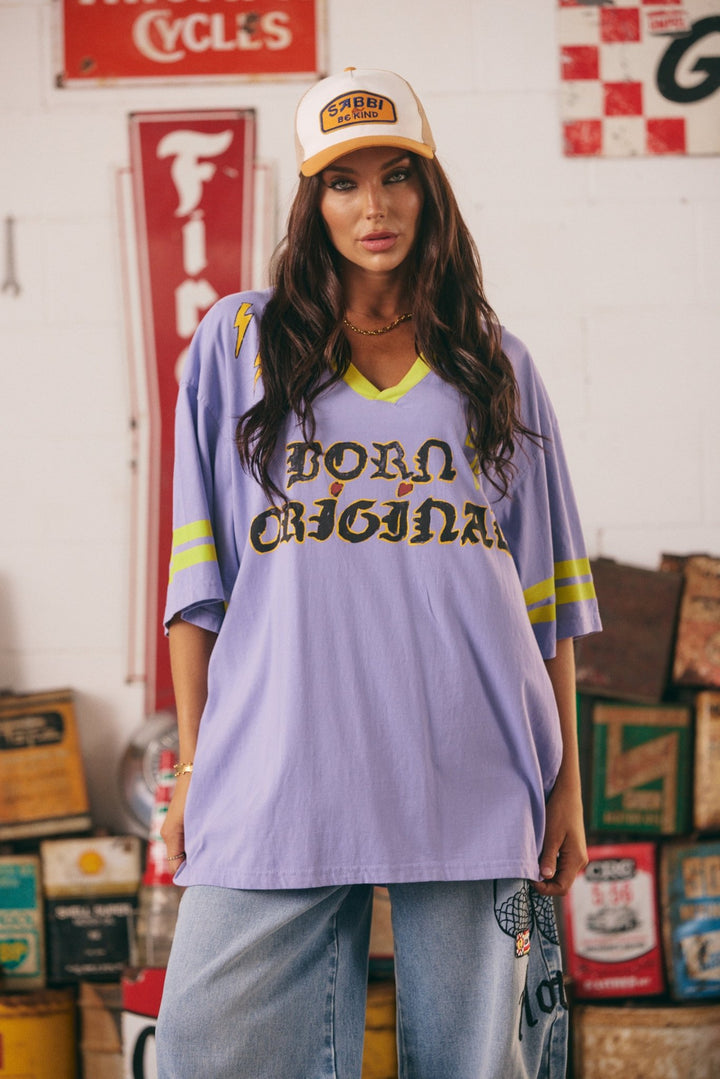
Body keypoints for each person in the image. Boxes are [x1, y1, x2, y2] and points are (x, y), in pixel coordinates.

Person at [155, 67, 601, 1079]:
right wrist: (191, 771)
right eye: (344, 182)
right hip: (281, 767)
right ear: (311, 201)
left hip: (474, 766)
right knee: (207, 1049)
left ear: (429, 188)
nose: (375, 206)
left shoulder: (495, 360)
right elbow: (197, 586)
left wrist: (568, 784)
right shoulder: (240, 343)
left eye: (397, 175)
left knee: (476, 1064)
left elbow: (544, 602)